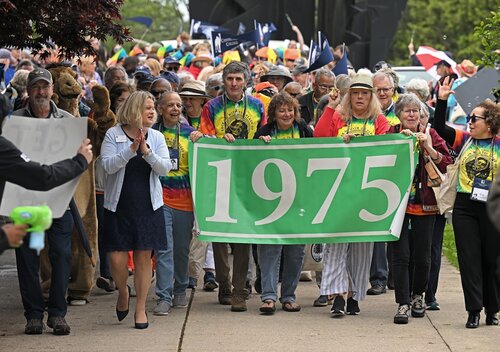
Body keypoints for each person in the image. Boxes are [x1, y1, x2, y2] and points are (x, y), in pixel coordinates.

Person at [7, 70, 93, 335]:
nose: (41, 92)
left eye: (45, 87)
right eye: (36, 88)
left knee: (62, 255)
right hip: (27, 204)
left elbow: (80, 161)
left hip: (59, 203)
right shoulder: (14, 122)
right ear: (28, 91)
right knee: (29, 258)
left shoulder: (67, 121)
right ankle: (33, 314)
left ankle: (57, 313)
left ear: (52, 89)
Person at [314, 72, 390, 317]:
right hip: (338, 190)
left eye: (364, 94)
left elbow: (385, 148)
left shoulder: (379, 121)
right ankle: (336, 296)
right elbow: (320, 137)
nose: (359, 97)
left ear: (371, 97)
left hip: (366, 193)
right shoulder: (338, 116)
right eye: (355, 93)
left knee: (361, 248)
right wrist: (331, 108)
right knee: (335, 245)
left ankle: (354, 295)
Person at [194, 61, 265, 312]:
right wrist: (216, 139)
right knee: (220, 234)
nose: (234, 83)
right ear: (223, 81)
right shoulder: (211, 107)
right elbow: (204, 136)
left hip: (249, 177)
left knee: (243, 234)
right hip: (220, 175)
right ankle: (223, 283)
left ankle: (239, 290)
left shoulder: (257, 106)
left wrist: (265, 139)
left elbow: (264, 135)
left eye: (238, 79)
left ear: (246, 81)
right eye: (230, 79)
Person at [101, 91, 172, 329]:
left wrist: (147, 152)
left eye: (153, 108)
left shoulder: (157, 136)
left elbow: (164, 169)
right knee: (117, 260)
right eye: (147, 108)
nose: (152, 112)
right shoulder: (113, 134)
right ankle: (123, 291)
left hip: (148, 206)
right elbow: (107, 167)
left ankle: (140, 308)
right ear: (133, 110)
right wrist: (130, 150)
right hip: (118, 206)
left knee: (144, 258)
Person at [434, 77, 500, 328]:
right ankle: (473, 310)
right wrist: (442, 100)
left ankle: (492, 309)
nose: (469, 122)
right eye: (469, 118)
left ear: (490, 122)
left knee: (490, 260)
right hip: (465, 207)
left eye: (475, 118)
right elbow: (440, 129)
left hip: (493, 207)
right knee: (469, 259)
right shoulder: (465, 140)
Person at [388, 93, 452, 325]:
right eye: (407, 110)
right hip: (395, 205)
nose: (412, 114)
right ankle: (402, 302)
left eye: (416, 110)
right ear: (399, 115)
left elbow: (447, 162)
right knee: (401, 255)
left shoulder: (431, 134)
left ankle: (418, 296)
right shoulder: (391, 135)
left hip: (425, 203)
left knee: (423, 257)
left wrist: (428, 148)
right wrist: (398, 144)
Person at [253, 92, 312, 314]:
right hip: (271, 202)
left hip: (299, 201)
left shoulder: (305, 131)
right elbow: (251, 162)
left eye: (290, 110)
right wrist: (260, 146)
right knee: (269, 248)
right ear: (273, 114)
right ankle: (268, 296)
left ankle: (288, 296)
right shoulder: (264, 133)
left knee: (295, 251)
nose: (287, 114)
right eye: (282, 110)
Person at [151, 91, 197, 315]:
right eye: (170, 105)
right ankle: (164, 295)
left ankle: (180, 288)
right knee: (163, 248)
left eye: (178, 105)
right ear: (160, 108)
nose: (175, 109)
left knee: (180, 249)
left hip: (185, 200)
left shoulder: (191, 133)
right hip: (159, 200)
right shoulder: (151, 133)